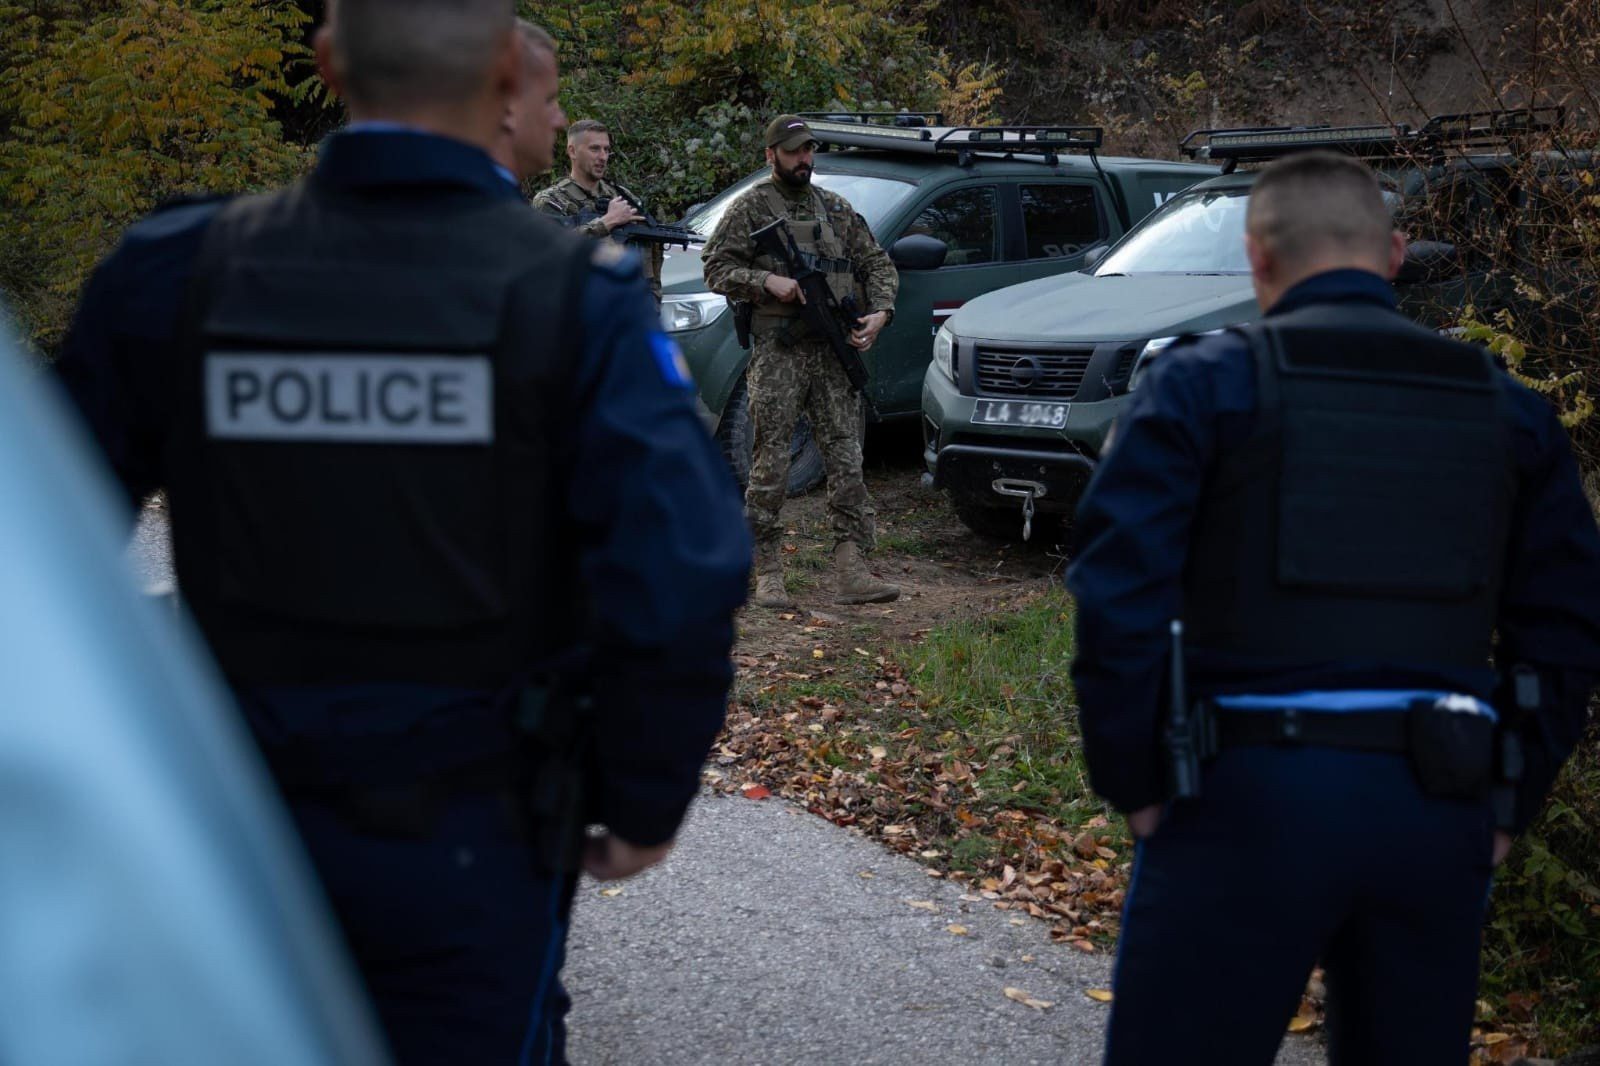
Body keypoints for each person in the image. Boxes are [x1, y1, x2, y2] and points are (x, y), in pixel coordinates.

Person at [53, 3, 751, 1064]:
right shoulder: (575, 300)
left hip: (229, 835)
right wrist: (643, 799)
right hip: (472, 839)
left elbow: (41, 575)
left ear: (328, 63)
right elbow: (683, 570)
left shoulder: (178, 269)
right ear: (509, 73)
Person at [1065, 150, 1600, 1066]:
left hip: (1242, 797)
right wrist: (1509, 803)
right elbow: (1567, 625)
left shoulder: (1202, 387)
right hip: (1439, 805)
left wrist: (1137, 784)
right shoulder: (1506, 410)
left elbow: (1119, 595)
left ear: (1257, 257)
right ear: (1394, 255)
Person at [701, 114, 900, 609]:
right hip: (780, 353)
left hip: (833, 353)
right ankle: (766, 570)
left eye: (808, 150)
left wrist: (880, 313)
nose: (803, 159)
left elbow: (876, 262)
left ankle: (853, 566)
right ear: (771, 155)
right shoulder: (750, 208)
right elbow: (714, 266)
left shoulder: (834, 208)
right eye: (793, 151)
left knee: (846, 456)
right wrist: (766, 282)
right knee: (770, 462)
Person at [532, 119, 665, 304]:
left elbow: (647, 254)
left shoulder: (622, 197)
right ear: (572, 151)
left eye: (606, 150)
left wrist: (652, 303)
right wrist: (606, 223)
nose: (602, 157)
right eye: (594, 149)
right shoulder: (552, 201)